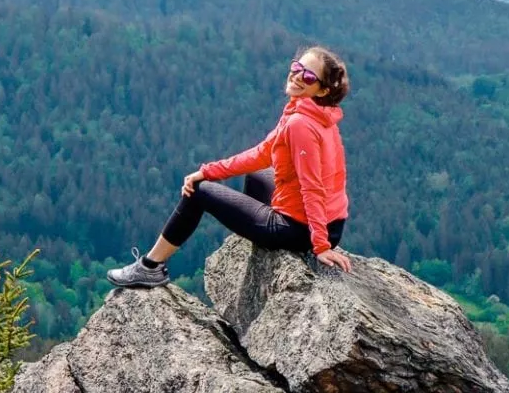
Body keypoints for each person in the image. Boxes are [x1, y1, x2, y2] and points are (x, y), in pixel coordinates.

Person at [107, 45, 351, 288]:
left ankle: (150, 268)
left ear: (322, 90)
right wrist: (208, 170)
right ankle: (257, 236)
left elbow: (312, 187)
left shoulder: (300, 123)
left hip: (301, 230)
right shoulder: (316, 113)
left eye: (308, 76)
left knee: (199, 192)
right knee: (258, 175)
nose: (297, 76)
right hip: (331, 224)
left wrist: (320, 246)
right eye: (296, 67)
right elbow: (263, 153)